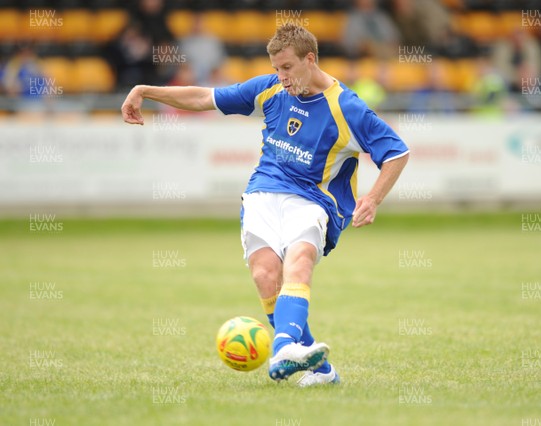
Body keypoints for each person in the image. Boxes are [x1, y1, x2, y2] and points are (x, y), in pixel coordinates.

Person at [121, 24, 409, 387]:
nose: (281, 77)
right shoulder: (270, 88)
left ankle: (283, 346)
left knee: (299, 260)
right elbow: (203, 99)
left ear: (310, 59)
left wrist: (373, 198)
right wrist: (145, 91)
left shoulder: (347, 107)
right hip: (263, 191)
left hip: (313, 200)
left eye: (287, 68)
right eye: (276, 68)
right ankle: (321, 371)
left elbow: (397, 152)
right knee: (264, 276)